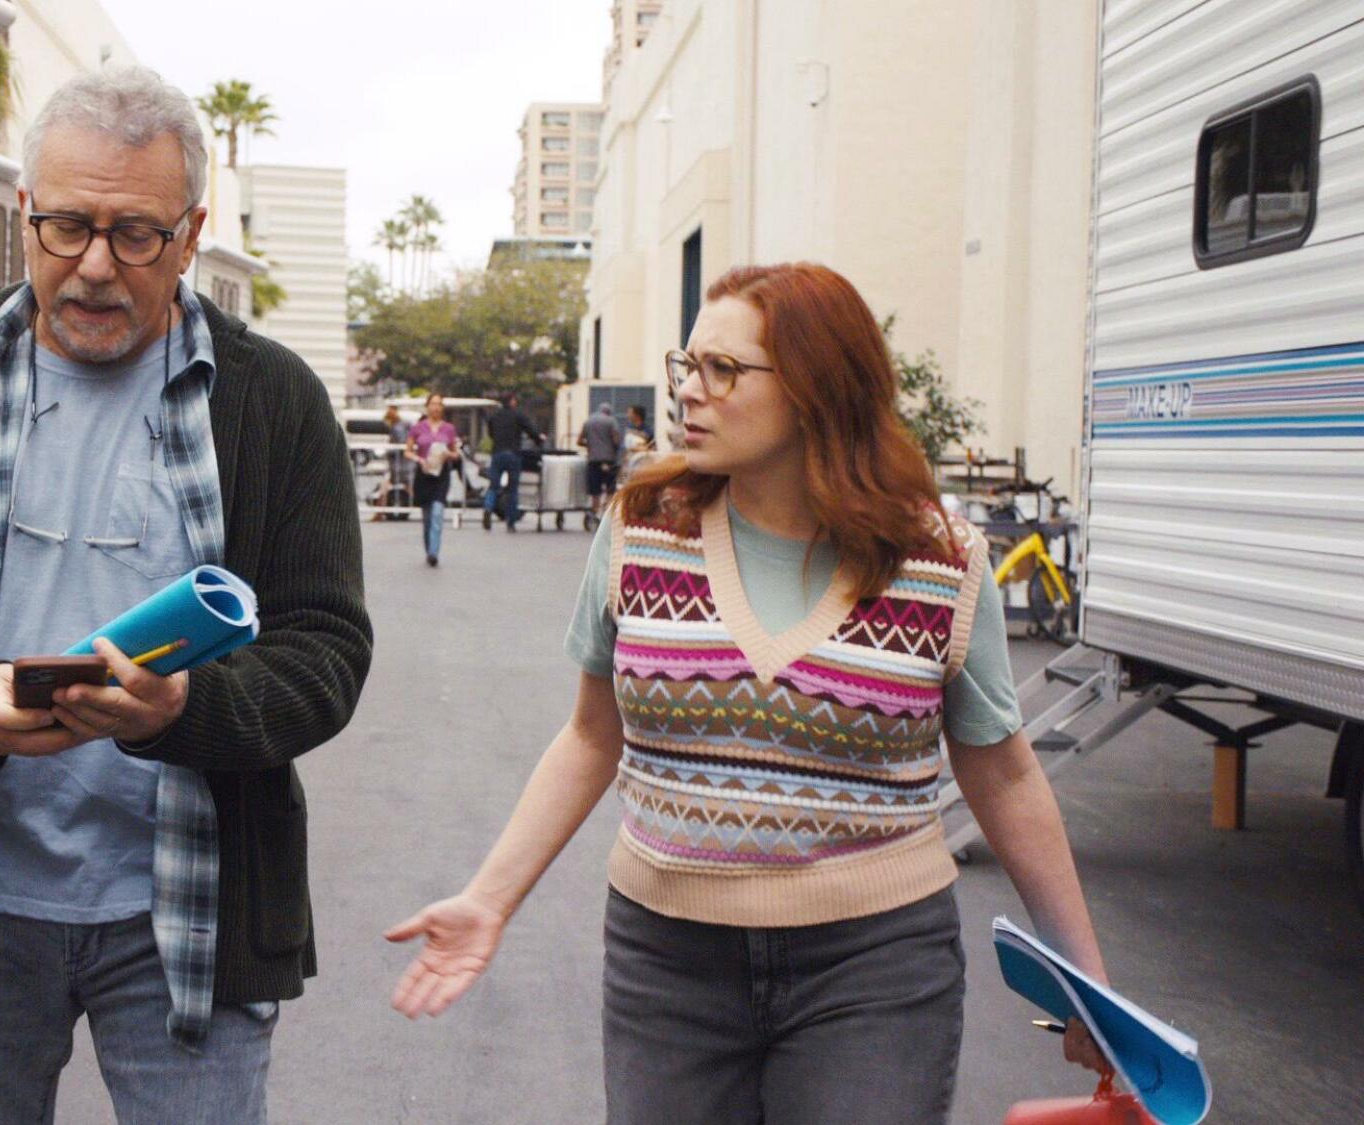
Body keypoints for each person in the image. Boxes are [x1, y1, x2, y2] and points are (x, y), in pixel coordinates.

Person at [386, 262, 1110, 1124]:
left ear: (816, 389)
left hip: (875, 967)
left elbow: (1005, 774)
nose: (689, 392)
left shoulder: (940, 561)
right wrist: (488, 899)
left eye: (722, 370)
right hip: (667, 963)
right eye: (685, 366)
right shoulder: (642, 529)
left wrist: (1088, 982)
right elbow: (590, 736)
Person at [0, 66, 372, 1125]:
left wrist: (183, 713)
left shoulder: (274, 403)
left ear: (190, 236)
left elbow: (325, 654)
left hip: (191, 911)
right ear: (24, 215)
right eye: (66, 227)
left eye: (135, 234)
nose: (95, 266)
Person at [405, 392, 461, 567]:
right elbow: (407, 451)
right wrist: (419, 459)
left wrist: (448, 454)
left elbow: (456, 453)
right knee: (427, 517)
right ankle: (429, 548)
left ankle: (433, 553)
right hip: (424, 474)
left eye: (439, 404)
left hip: (441, 475)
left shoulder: (449, 429)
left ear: (442, 407)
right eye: (433, 404)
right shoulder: (418, 428)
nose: (436, 407)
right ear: (427, 406)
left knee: (437, 512)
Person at [481, 391, 543, 532]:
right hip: (513, 454)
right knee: (513, 489)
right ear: (512, 401)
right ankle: (510, 521)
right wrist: (538, 440)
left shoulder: (494, 416)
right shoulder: (518, 415)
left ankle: (488, 508)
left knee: (493, 485)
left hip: (497, 453)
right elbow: (531, 430)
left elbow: (491, 434)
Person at [578, 402, 623, 522]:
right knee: (610, 488)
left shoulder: (588, 422)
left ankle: (594, 511)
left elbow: (579, 441)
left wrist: (591, 445)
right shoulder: (611, 421)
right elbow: (616, 440)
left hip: (593, 460)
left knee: (595, 490)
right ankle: (606, 511)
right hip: (609, 460)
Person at [374, 403, 413, 513]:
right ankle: (379, 512)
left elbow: (400, 444)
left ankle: (379, 512)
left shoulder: (397, 427)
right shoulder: (401, 425)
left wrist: (388, 450)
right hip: (401, 464)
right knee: (386, 487)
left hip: (399, 465)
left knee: (385, 487)